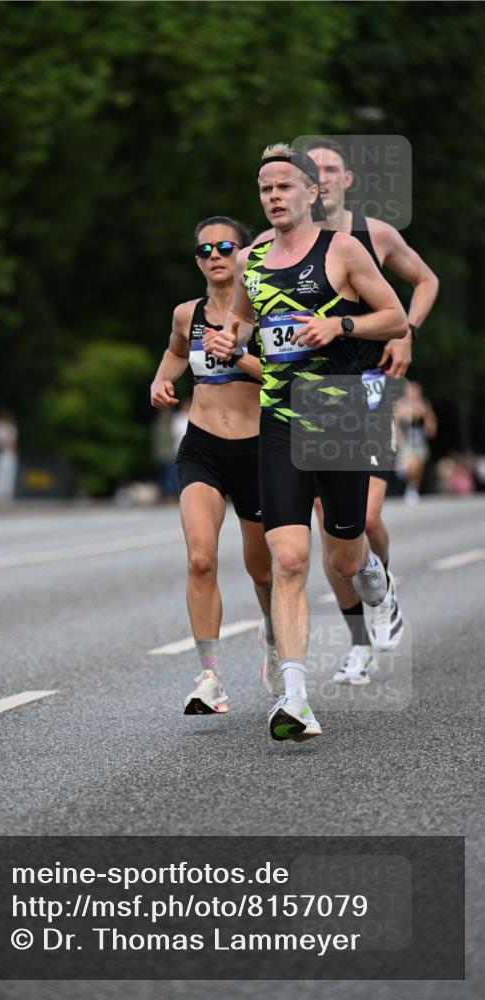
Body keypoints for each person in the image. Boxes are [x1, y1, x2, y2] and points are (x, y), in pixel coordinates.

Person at [205, 145, 407, 741]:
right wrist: (230, 340)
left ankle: (370, 568)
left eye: (285, 186)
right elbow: (243, 319)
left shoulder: (342, 250)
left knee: (343, 556)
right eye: (265, 188)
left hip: (339, 413)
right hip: (280, 419)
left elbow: (394, 318)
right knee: (289, 558)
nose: (274, 196)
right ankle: (295, 699)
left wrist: (340, 324)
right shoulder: (251, 259)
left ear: (311, 193)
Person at [301, 139, 439, 678]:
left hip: (371, 389)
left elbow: (425, 280)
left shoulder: (374, 234)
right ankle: (358, 641)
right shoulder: (282, 245)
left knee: (366, 518)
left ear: (347, 179)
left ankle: (383, 588)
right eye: (311, 169)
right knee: (333, 534)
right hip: (310, 397)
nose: (321, 176)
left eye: (330, 168)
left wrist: (408, 332)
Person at [150, 215, 278, 715]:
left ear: (244, 255)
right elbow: (175, 352)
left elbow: (286, 377)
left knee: (262, 571)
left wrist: (239, 355)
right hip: (202, 447)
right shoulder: (188, 313)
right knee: (200, 558)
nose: (216, 256)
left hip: (258, 449)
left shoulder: (266, 313)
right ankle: (210, 677)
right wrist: (161, 380)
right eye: (205, 250)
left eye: (226, 247)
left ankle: (274, 634)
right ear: (197, 261)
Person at [394, 381, 437, 504]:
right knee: (411, 465)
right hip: (405, 442)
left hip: (419, 442)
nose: (414, 394)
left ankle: (412, 489)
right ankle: (404, 472)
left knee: (418, 465)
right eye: (411, 391)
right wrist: (398, 438)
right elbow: (394, 425)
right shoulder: (399, 405)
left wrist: (426, 414)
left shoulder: (424, 406)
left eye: (416, 391)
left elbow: (431, 428)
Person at [0, 409, 19, 501]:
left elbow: (13, 442)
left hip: (9, 454)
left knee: (9, 474)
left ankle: (7, 494)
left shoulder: (10, 428)